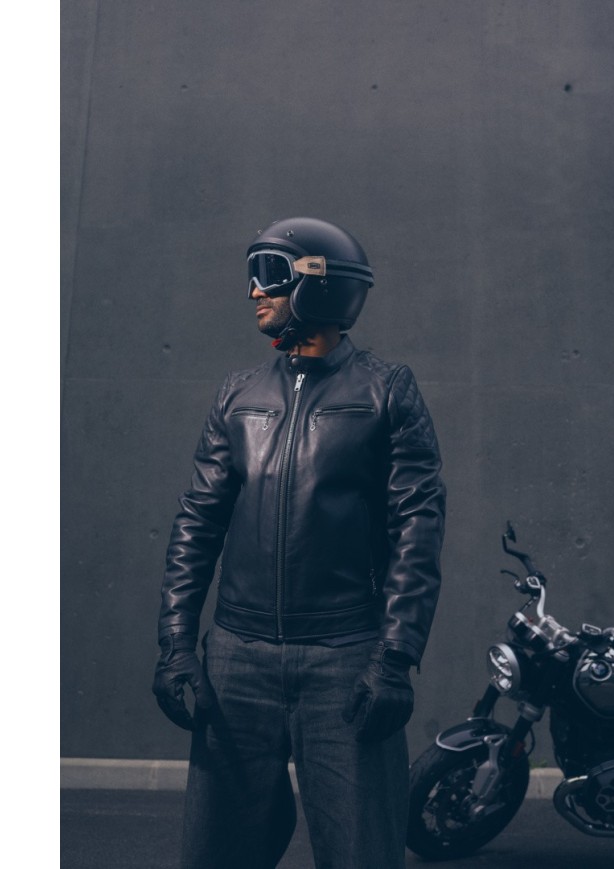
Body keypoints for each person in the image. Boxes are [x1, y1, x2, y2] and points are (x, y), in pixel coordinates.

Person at [152, 216, 446, 869]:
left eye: (271, 274)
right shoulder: (238, 394)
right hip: (236, 662)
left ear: (322, 283)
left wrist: (395, 658)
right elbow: (197, 521)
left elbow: (417, 529)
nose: (254, 290)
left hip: (344, 662)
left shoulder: (386, 391)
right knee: (216, 856)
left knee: (361, 854)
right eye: (251, 274)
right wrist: (176, 644)